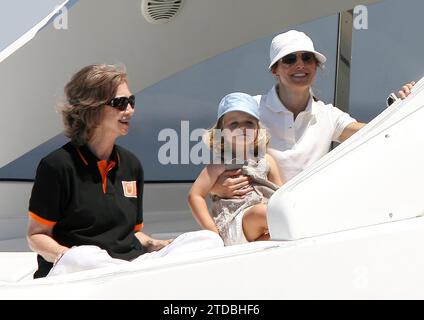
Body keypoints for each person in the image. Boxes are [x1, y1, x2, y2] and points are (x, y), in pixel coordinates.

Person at [27, 64, 223, 278]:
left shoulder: (131, 164)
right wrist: (65, 255)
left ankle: (129, 277)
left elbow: (133, 233)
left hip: (130, 264)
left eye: (131, 101)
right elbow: (36, 235)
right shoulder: (57, 165)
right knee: (84, 257)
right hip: (82, 271)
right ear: (90, 108)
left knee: (207, 240)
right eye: (119, 103)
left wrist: (156, 244)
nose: (129, 110)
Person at [212, 29, 415, 197]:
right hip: (257, 220)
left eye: (307, 58)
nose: (300, 64)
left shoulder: (328, 115)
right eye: (290, 59)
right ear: (275, 70)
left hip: (307, 219)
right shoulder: (251, 109)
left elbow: (377, 132)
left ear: (315, 67)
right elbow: (216, 167)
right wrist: (216, 188)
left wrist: (408, 101)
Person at [188, 92, 284, 246]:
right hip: (236, 224)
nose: (242, 128)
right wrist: (212, 232)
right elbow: (195, 195)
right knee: (264, 213)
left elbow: (281, 193)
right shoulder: (219, 164)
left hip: (263, 226)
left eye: (249, 123)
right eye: (234, 124)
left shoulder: (267, 160)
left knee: (278, 237)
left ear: (258, 129)